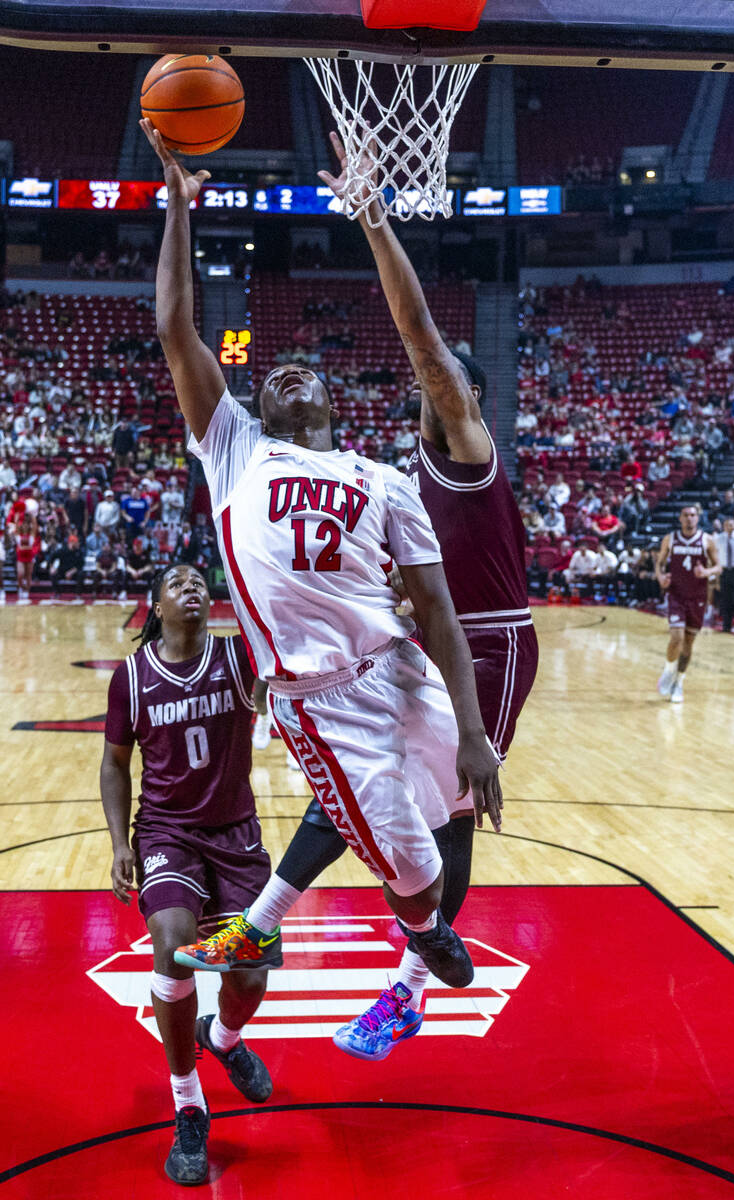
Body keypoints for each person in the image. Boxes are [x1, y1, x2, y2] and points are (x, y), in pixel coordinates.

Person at [140, 120, 501, 1007]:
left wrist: (475, 728)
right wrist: (180, 209)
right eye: (276, 373)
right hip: (319, 695)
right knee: (407, 868)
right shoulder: (234, 450)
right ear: (253, 403)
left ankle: (357, 924)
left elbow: (441, 614)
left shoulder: (383, 480)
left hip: (402, 665)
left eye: (308, 370)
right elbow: (175, 325)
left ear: (334, 403)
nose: (291, 372)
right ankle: (420, 931)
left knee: (453, 814)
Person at [99, 564, 273, 1185]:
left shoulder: (241, 657)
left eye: (199, 580)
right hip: (169, 837)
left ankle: (223, 1038)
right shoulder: (133, 678)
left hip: (236, 835)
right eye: (177, 583)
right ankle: (189, 1103)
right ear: (157, 606)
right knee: (175, 951)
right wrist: (122, 843)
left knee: (249, 974)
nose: (191, 587)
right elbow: (114, 765)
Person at [655, 505, 721, 703]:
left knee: (689, 643)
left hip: (697, 597)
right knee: (676, 637)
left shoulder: (707, 540)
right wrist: (660, 578)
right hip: (676, 594)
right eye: (686, 515)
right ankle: (668, 669)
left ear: (698, 518)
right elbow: (659, 563)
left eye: (693, 515)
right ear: (680, 518)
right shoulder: (670, 539)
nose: (689, 518)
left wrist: (707, 573)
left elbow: (718, 566)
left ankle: (679, 682)